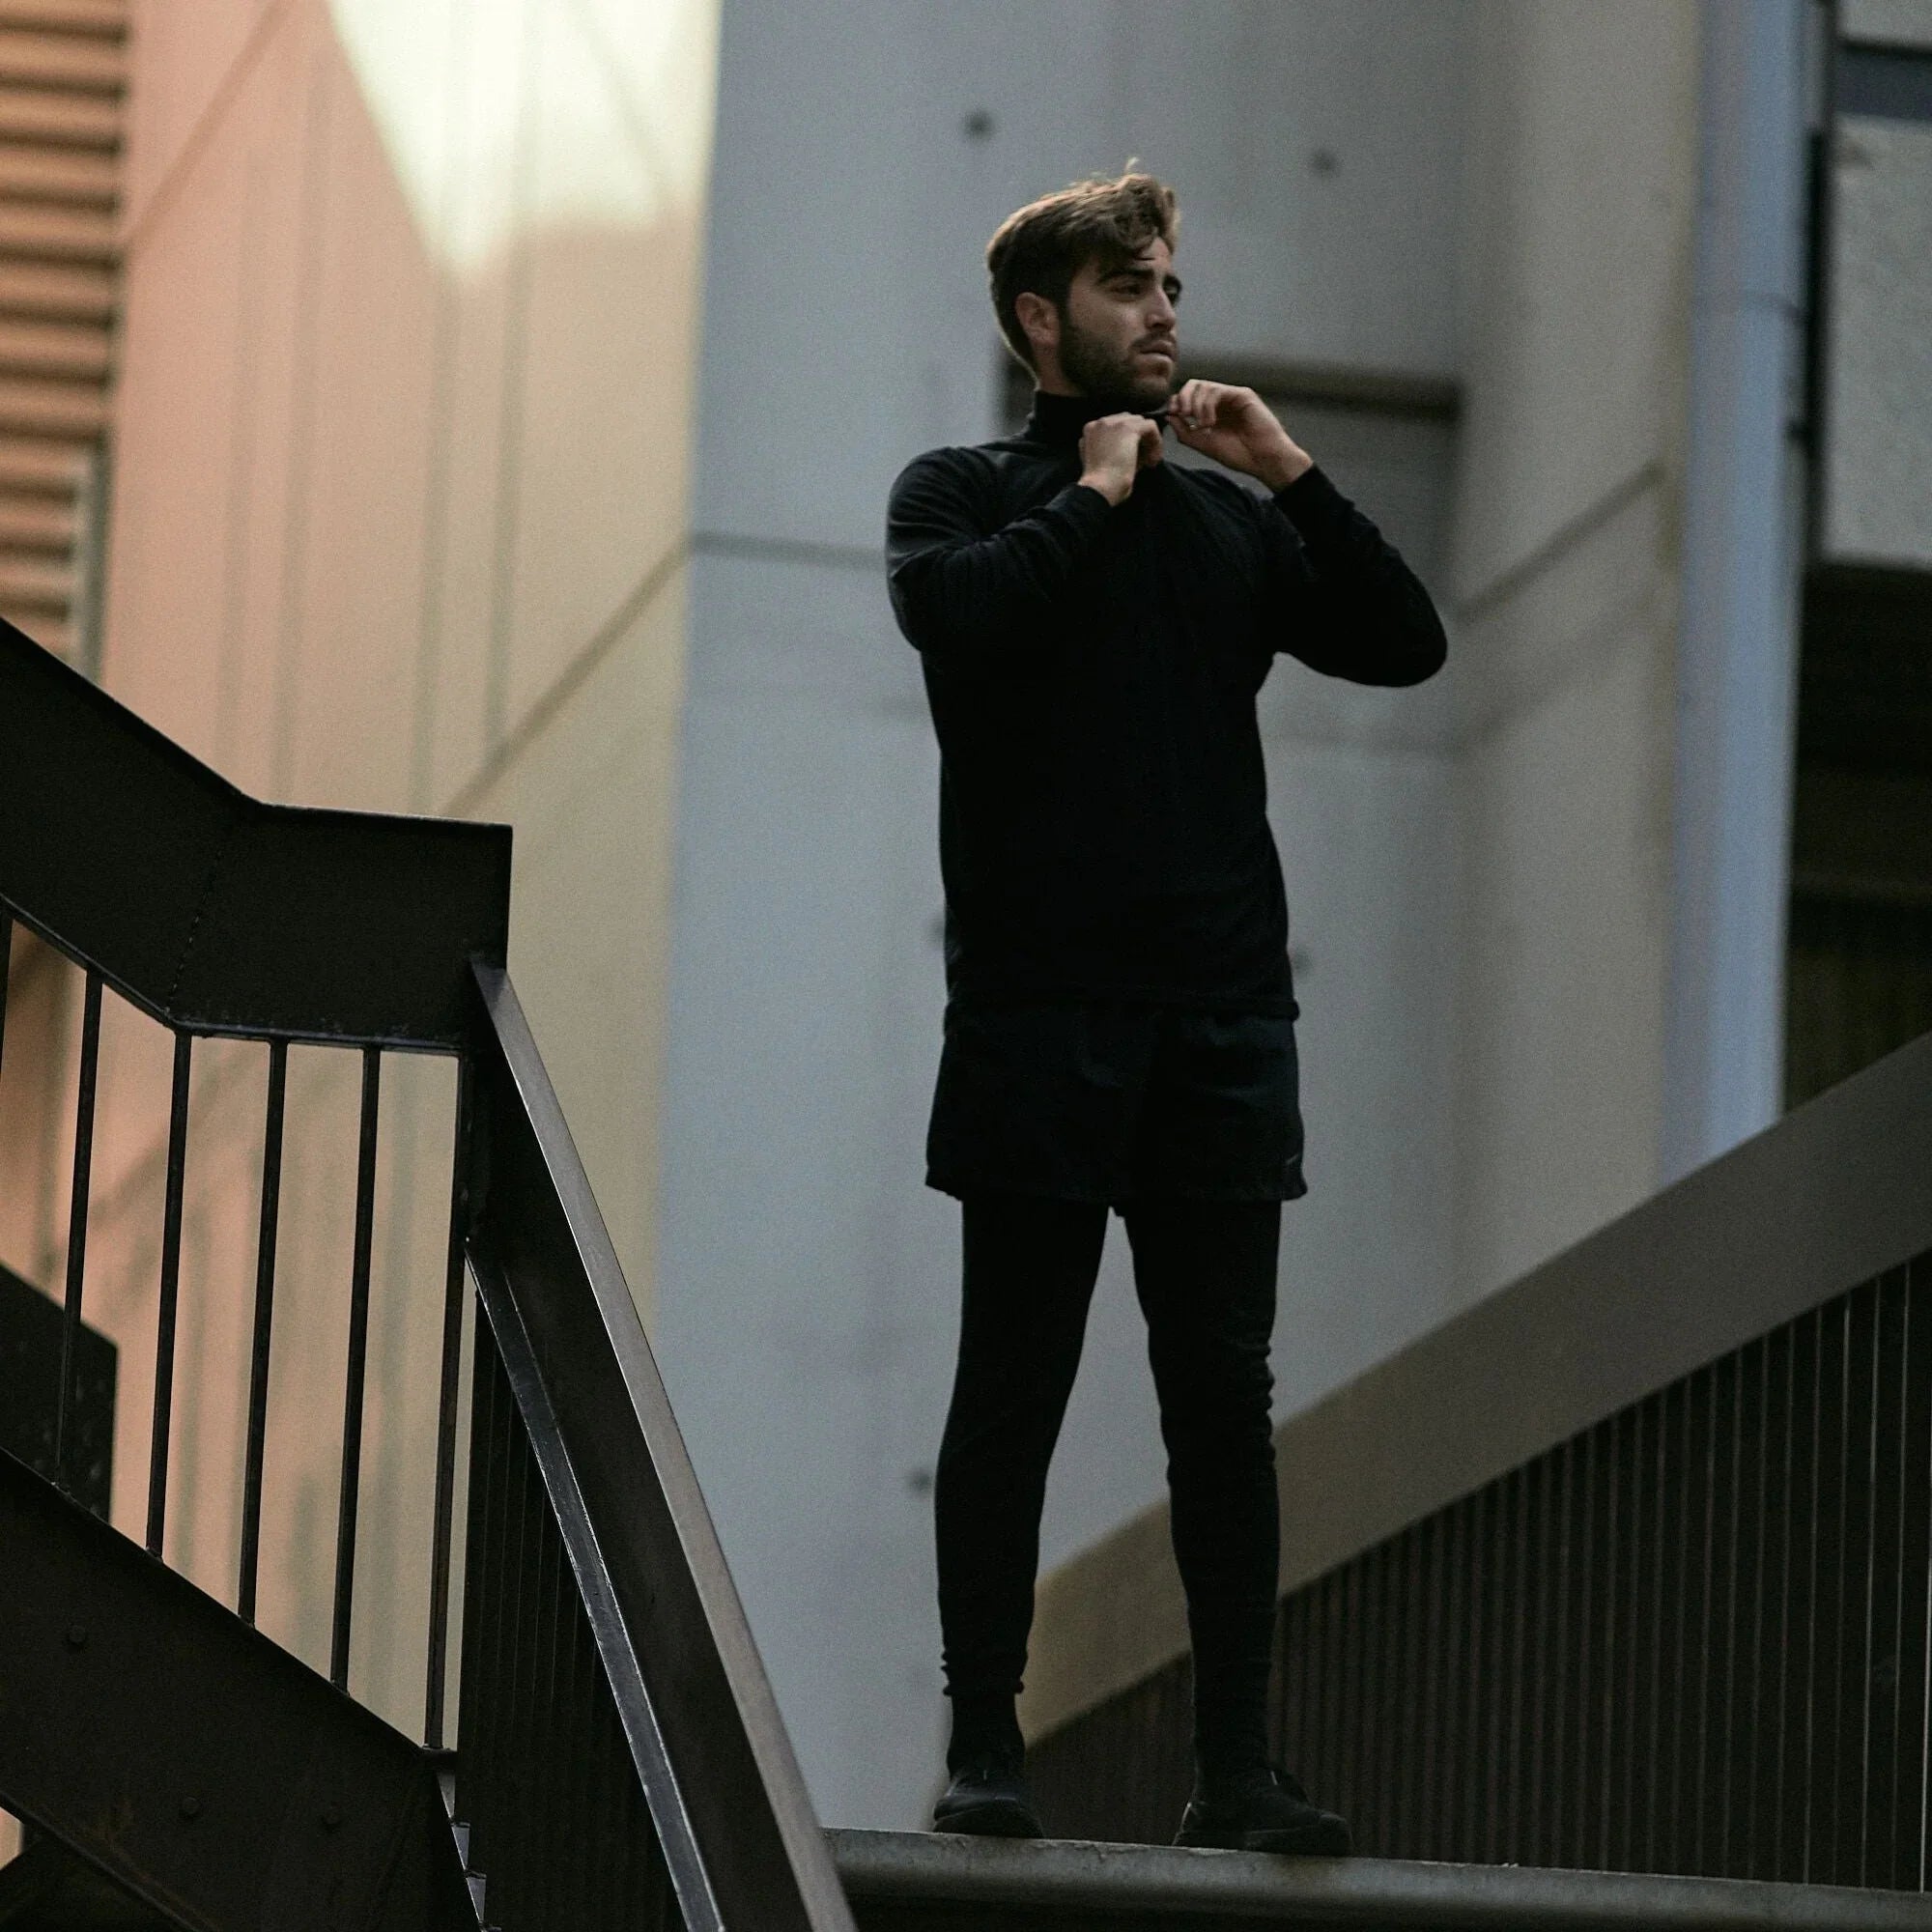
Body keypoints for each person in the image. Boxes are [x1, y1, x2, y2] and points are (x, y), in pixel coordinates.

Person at [884, 170, 1446, 1857]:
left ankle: (1241, 1768)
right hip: (1038, 1020)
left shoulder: (1228, 518)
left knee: (1223, 1402)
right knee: (1016, 1390)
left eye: (1175, 284)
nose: (1168, 312)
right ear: (1043, 319)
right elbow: (957, 622)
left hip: (1217, 1027)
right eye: (1132, 287)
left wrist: (1285, 467)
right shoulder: (964, 495)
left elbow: (1405, 642)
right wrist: (1096, 496)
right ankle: (987, 1746)